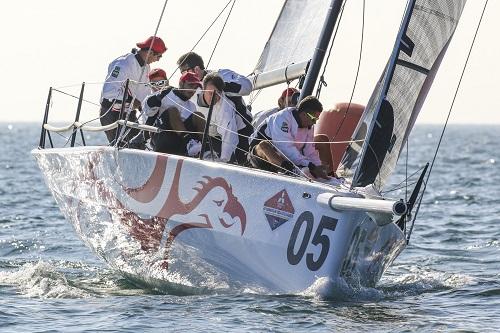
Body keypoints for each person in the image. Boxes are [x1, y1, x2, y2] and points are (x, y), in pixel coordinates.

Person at [177, 52, 253, 164]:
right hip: (212, 135)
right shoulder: (190, 88)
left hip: (241, 130)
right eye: (181, 73)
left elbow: (247, 86)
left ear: (196, 69)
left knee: (242, 163)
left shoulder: (222, 74)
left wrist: (219, 85)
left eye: (185, 71)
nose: (183, 75)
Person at [100, 36, 167, 143]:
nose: (158, 59)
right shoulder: (123, 64)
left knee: (138, 144)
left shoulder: (146, 67)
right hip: (111, 113)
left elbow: (143, 95)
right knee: (121, 146)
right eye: (159, 56)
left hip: (129, 113)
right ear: (150, 52)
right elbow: (108, 92)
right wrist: (131, 100)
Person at [248, 96, 331, 179]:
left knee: (322, 140)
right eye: (313, 118)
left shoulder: (309, 125)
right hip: (260, 157)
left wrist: (318, 168)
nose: (315, 122)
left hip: (287, 159)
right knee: (263, 145)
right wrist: (311, 166)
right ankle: (292, 171)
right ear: (304, 114)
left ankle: (330, 174)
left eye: (317, 119)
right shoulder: (282, 118)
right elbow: (285, 149)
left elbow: (310, 152)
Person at [140, 72, 206, 156]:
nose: (192, 90)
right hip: (162, 139)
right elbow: (148, 110)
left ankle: (205, 149)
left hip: (179, 144)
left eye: (195, 87)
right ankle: (189, 142)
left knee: (199, 115)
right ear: (181, 83)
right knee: (172, 110)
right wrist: (158, 97)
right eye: (190, 85)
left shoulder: (192, 106)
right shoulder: (167, 93)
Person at [196, 72, 244, 163]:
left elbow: (228, 135)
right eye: (210, 93)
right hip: (200, 136)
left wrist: (224, 161)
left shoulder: (225, 107)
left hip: (219, 136)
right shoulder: (192, 95)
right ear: (203, 90)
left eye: (218, 93)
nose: (214, 96)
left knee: (230, 158)